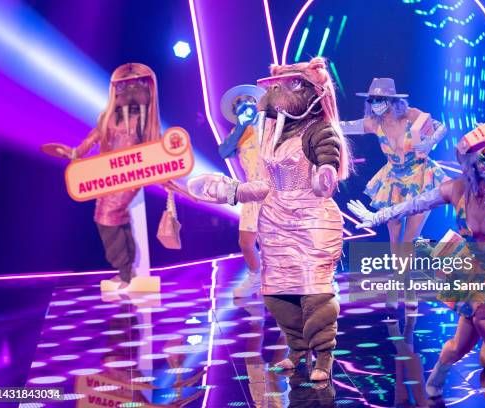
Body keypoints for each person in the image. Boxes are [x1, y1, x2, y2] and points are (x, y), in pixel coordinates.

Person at [348, 130, 485, 407]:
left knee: (484, 319)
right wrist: (379, 216)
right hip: (476, 273)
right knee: (460, 343)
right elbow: (415, 204)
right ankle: (434, 383)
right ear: (472, 161)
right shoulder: (457, 189)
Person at [187, 57, 351, 381]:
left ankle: (324, 359)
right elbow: (267, 184)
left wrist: (325, 177)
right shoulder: (272, 133)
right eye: (275, 86)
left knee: (314, 294)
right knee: (278, 295)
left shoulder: (320, 131)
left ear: (310, 93)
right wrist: (232, 191)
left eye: (286, 85)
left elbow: (328, 166)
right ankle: (296, 350)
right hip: (275, 221)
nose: (275, 91)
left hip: (311, 221)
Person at [43, 63, 162, 289]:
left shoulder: (144, 121)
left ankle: (125, 271)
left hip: (131, 175)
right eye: (124, 85)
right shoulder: (108, 118)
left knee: (107, 216)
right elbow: (93, 138)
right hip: (107, 173)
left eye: (136, 84)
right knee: (111, 216)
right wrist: (74, 152)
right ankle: (126, 270)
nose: (130, 89)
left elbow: (158, 150)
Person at [341, 78, 447, 306]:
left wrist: (430, 143)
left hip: (421, 177)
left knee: (410, 237)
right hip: (392, 182)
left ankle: (406, 286)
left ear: (391, 100)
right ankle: (398, 281)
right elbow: (344, 126)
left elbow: (441, 127)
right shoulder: (373, 123)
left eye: (380, 99)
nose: (376, 103)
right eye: (373, 100)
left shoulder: (412, 115)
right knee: (394, 237)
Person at [218, 85, 266, 297]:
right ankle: (255, 276)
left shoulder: (270, 124)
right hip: (251, 190)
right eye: (238, 104)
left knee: (277, 241)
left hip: (275, 189)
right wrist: (240, 126)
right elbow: (223, 152)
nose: (244, 105)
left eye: (248, 101)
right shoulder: (237, 132)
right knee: (246, 242)